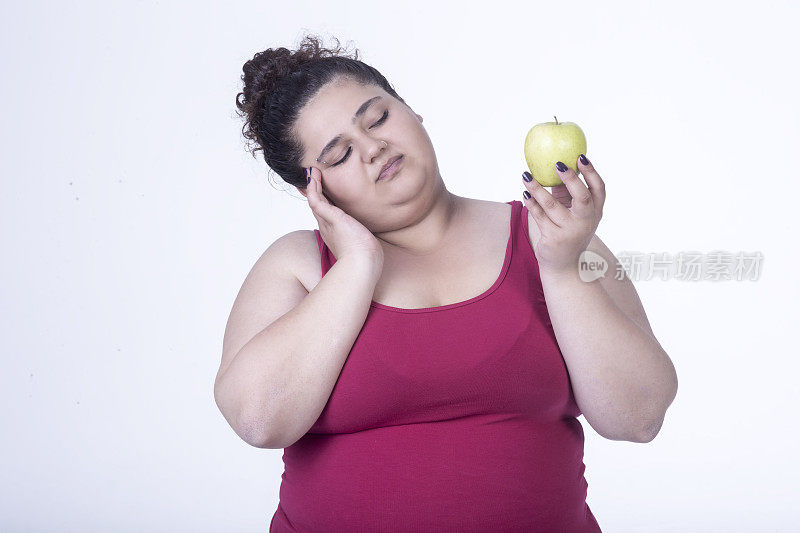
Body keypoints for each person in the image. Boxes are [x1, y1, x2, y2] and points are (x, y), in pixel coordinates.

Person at [215, 34, 677, 533]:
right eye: (338, 154)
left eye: (378, 119)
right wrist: (356, 265)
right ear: (312, 188)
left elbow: (639, 417)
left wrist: (564, 269)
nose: (374, 148)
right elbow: (259, 420)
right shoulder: (300, 264)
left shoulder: (554, 235)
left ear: (412, 112)